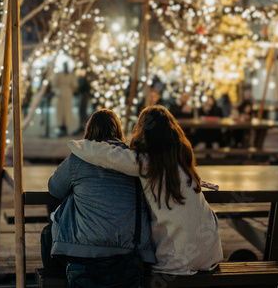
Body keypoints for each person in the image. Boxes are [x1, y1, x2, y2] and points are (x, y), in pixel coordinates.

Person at [68, 105, 223, 275]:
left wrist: (79, 145)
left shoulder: (148, 163)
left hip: (179, 258)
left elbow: (107, 156)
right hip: (211, 253)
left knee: (136, 265)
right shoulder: (182, 161)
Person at [42, 109, 156, 287]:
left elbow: (55, 189)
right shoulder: (134, 160)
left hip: (82, 253)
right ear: (118, 131)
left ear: (89, 131)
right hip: (131, 253)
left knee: (49, 234)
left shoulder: (78, 159)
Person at [52, 62, 77, 137]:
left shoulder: (70, 75)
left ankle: (65, 126)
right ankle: (60, 126)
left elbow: (74, 85)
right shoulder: (59, 74)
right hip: (60, 95)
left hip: (68, 95)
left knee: (67, 111)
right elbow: (55, 84)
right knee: (60, 111)